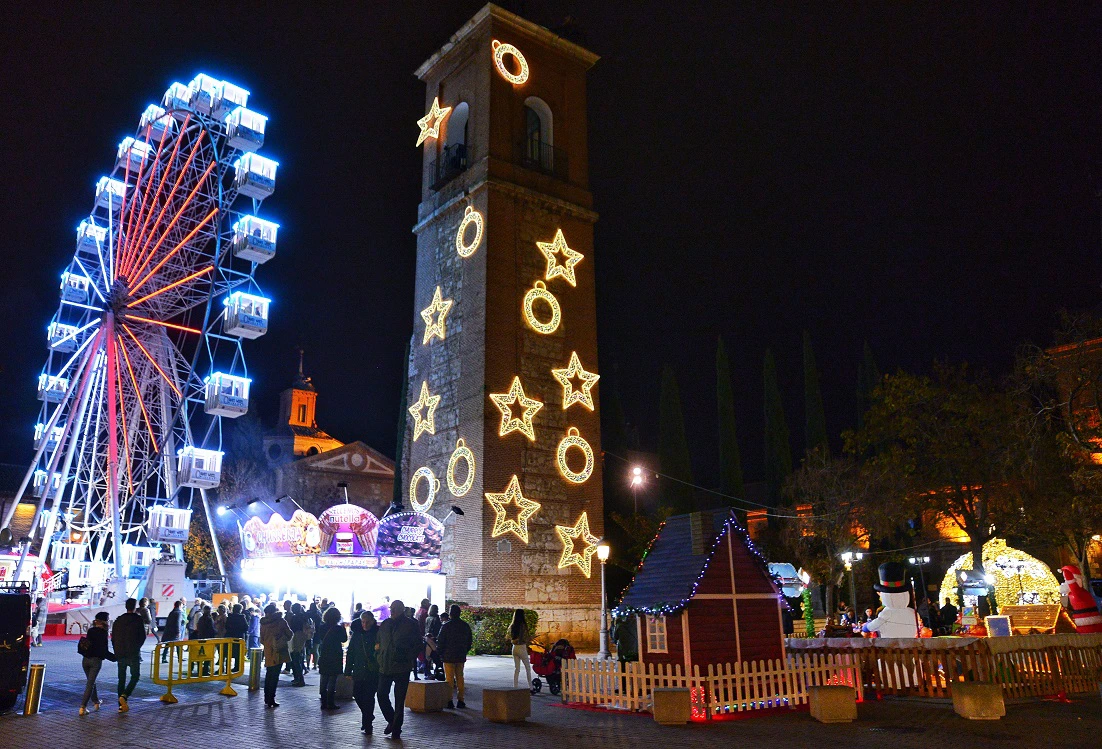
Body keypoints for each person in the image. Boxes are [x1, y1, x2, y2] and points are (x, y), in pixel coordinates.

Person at [376, 599, 423, 739]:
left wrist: (408, 657)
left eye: (396, 608)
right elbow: (378, 642)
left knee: (399, 700)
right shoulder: (385, 624)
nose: (393, 611)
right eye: (392, 608)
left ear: (402, 610)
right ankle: (392, 721)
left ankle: (396, 728)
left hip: (402, 667)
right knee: (381, 694)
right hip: (385, 665)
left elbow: (417, 644)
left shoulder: (411, 624)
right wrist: (379, 656)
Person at [110, 598, 146, 712]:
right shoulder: (138, 619)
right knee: (135, 676)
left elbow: (113, 637)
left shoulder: (119, 620)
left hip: (120, 652)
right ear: (135, 607)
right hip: (133, 652)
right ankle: (124, 696)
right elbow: (142, 636)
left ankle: (120, 705)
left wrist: (116, 649)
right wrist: (137, 647)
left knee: (121, 678)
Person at [346, 610, 380, 733]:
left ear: (372, 621)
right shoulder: (357, 635)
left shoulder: (377, 634)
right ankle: (368, 716)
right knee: (357, 694)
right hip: (359, 670)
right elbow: (351, 653)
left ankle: (367, 723)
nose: (364, 624)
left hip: (372, 671)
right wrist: (348, 670)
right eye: (363, 622)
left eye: (367, 622)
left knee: (369, 697)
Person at [435, 604, 472, 709]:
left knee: (449, 679)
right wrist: (465, 650)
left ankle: (449, 700)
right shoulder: (465, 626)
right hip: (460, 655)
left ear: (450, 613)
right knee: (460, 677)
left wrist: (440, 653)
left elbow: (440, 641)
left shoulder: (446, 626)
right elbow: (469, 641)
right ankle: (461, 700)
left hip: (448, 656)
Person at [79, 612, 116, 715]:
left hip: (85, 660)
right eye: (107, 619)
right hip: (95, 661)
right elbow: (103, 650)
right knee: (90, 684)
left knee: (91, 681)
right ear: (104, 621)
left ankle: (96, 702)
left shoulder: (90, 631)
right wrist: (114, 658)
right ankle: (83, 707)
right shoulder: (103, 633)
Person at [259, 603, 292, 708]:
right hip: (279, 650)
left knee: (269, 675)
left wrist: (269, 644)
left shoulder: (263, 624)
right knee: (275, 676)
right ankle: (271, 699)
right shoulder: (281, 622)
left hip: (269, 651)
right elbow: (290, 634)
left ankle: (266, 697)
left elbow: (262, 639)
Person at [318, 606, 347, 710]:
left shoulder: (322, 627)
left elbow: (320, 638)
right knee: (332, 680)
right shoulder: (339, 628)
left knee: (324, 679)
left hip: (325, 654)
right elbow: (344, 640)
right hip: (335, 655)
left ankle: (323, 702)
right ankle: (330, 702)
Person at [509, 609, 533, 690]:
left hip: (514, 648)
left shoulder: (512, 625)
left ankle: (515, 686)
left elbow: (510, 637)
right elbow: (525, 638)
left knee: (517, 669)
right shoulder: (523, 625)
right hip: (521, 647)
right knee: (527, 668)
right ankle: (531, 686)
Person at [288, 603, 308, 687]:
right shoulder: (304, 617)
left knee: (295, 659)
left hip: (296, 638)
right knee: (298, 657)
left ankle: (299, 679)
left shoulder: (295, 618)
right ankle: (298, 678)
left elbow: (291, 628)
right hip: (302, 638)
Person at [225, 603, 249, 670]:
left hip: (230, 636)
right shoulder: (241, 617)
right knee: (238, 653)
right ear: (240, 610)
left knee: (229, 652)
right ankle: (237, 667)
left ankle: (227, 667)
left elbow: (226, 626)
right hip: (239, 637)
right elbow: (246, 627)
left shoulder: (229, 617)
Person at [423, 604, 442, 678]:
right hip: (433, 639)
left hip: (427, 639)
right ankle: (436, 672)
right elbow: (438, 630)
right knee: (435, 656)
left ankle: (427, 672)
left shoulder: (427, 618)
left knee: (427, 657)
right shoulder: (436, 619)